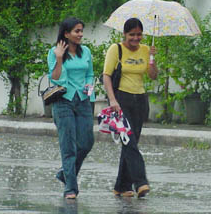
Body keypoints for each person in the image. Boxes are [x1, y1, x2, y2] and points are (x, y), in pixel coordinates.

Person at [102, 17, 158, 198]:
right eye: (132, 35)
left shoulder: (145, 49)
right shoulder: (115, 49)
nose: (136, 38)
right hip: (121, 99)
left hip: (140, 100)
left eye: (139, 34)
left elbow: (153, 76)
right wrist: (112, 100)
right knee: (129, 141)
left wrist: (152, 58)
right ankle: (141, 181)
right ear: (124, 34)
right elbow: (106, 76)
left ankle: (121, 185)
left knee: (132, 141)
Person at [47, 17, 95, 199]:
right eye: (77, 31)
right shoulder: (54, 52)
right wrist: (59, 58)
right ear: (66, 34)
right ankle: (71, 188)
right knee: (68, 146)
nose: (80, 34)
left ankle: (65, 174)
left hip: (83, 100)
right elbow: (56, 79)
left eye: (81, 30)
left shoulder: (86, 52)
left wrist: (89, 86)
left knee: (87, 142)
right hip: (63, 101)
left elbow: (90, 73)